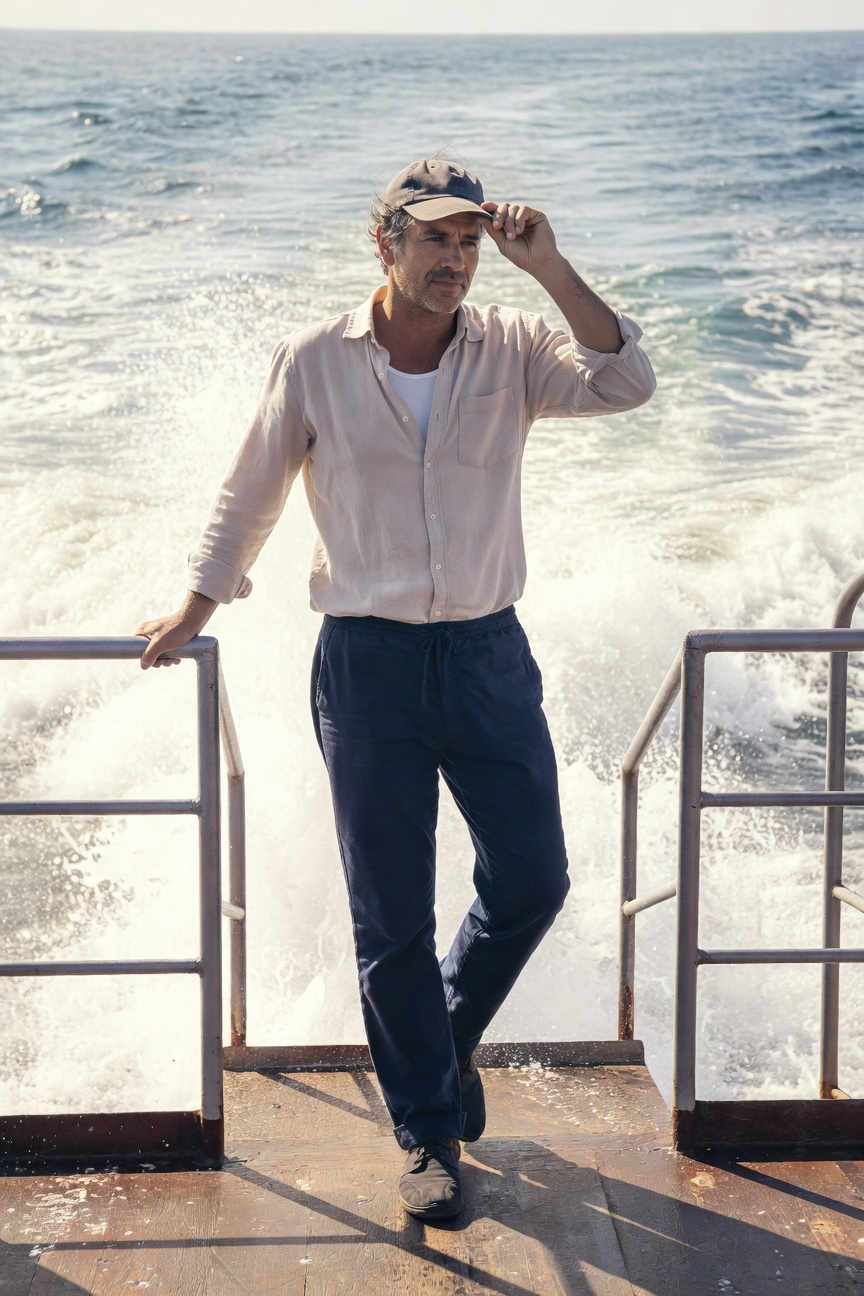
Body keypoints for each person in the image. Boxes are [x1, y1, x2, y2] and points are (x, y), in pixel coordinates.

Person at [136, 159, 656, 1222]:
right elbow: (253, 489)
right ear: (389, 246)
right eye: (437, 242)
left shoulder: (511, 347)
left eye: (470, 244)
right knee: (391, 916)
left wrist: (548, 266)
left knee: (535, 877)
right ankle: (425, 1131)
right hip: (367, 665)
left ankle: (442, 1041)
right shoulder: (318, 360)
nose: (457, 263)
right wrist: (197, 604)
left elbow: (625, 382)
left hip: (485, 654)